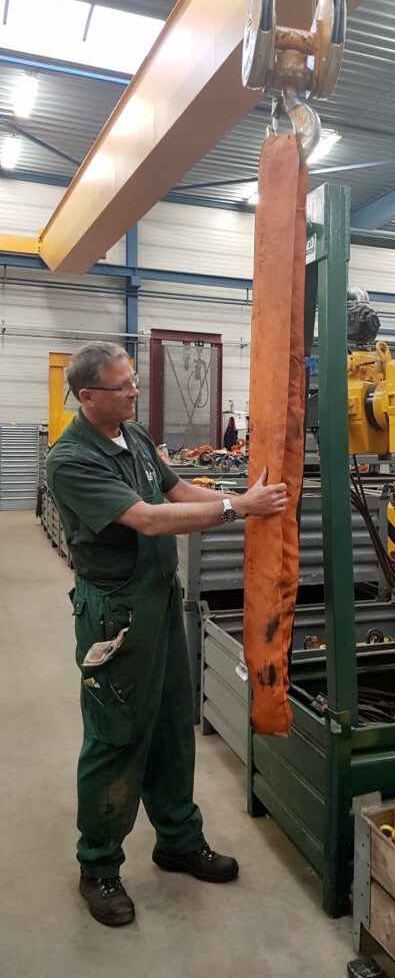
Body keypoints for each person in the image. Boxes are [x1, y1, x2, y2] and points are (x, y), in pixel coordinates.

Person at [46, 341, 287, 927]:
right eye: (123, 385)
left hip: (159, 600)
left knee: (175, 724)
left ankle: (177, 839)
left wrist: (242, 500)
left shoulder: (134, 436)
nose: (135, 391)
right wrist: (237, 508)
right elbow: (148, 518)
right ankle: (98, 867)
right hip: (116, 617)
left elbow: (177, 493)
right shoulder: (70, 460)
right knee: (117, 736)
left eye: (134, 380)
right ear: (87, 396)